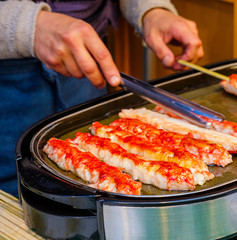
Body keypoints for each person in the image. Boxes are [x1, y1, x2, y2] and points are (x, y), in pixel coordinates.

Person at [0, 0, 204, 196]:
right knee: (14, 187)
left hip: (87, 60)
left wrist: (152, 9)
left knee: (97, 195)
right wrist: (28, 26)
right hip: (8, 77)